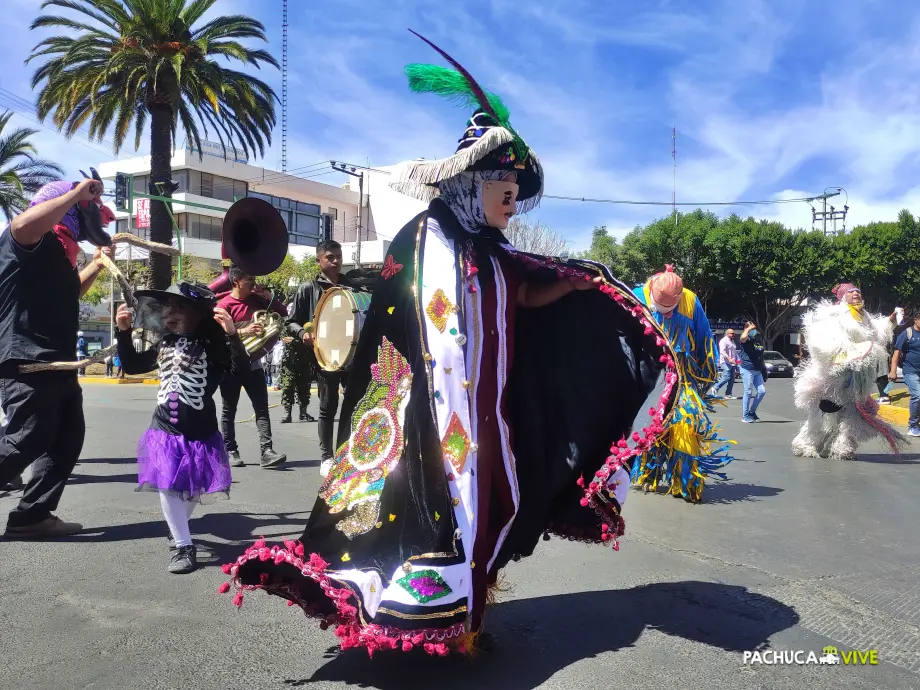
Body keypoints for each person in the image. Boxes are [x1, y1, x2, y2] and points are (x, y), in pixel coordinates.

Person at [218, 34, 681, 657]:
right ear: (473, 183)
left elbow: (523, 300)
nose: (513, 204)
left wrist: (571, 284)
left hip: (489, 418)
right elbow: (394, 328)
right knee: (427, 513)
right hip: (423, 416)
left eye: (516, 192)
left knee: (485, 512)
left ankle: (468, 618)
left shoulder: (496, 254)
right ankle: (418, 617)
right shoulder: (420, 241)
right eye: (505, 190)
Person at [0, 178, 115, 537]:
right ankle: (32, 514)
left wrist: (96, 266)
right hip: (28, 358)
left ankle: (31, 516)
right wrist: (76, 194)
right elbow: (21, 224)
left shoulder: (59, 254)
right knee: (28, 438)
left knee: (67, 437)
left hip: (58, 361)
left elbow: (69, 294)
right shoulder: (30, 239)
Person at [116, 282, 249, 573]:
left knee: (192, 492)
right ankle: (183, 546)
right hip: (164, 428)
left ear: (199, 314)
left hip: (201, 431)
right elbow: (133, 365)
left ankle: (178, 528)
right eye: (167, 307)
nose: (170, 313)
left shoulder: (213, 347)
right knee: (168, 485)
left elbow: (240, 369)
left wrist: (232, 335)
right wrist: (123, 332)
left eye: (180, 307)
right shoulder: (164, 344)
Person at [631, 265, 733, 502]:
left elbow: (704, 338)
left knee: (686, 424)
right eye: (662, 309)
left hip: (683, 376)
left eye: (671, 309)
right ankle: (648, 473)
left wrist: (706, 376)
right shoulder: (636, 296)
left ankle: (685, 483)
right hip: (648, 377)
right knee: (650, 425)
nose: (667, 314)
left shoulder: (690, 300)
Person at [792, 283, 904, 460]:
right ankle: (805, 443)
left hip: (858, 376)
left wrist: (890, 321)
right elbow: (822, 340)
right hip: (836, 374)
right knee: (825, 411)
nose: (856, 294)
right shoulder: (835, 316)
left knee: (853, 413)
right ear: (843, 297)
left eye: (858, 292)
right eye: (851, 292)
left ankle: (842, 448)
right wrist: (846, 352)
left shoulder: (864, 316)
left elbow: (876, 333)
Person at [284, 240, 352, 476]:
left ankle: (348, 453)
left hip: (351, 355)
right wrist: (302, 333)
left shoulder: (350, 285)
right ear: (319, 260)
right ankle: (327, 457)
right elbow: (290, 321)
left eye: (339, 257)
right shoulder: (307, 288)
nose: (336, 261)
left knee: (353, 405)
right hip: (324, 356)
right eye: (330, 257)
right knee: (328, 407)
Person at [216, 266, 287, 469]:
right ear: (237, 280)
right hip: (230, 366)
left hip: (254, 364)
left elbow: (282, 313)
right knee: (229, 411)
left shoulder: (257, 301)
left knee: (262, 409)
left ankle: (267, 451)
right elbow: (219, 335)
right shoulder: (224, 305)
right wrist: (245, 330)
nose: (254, 283)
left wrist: (268, 296)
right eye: (250, 279)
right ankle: (231, 451)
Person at [890, 310, 920, 437]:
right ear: (916, 320)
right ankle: (913, 426)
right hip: (910, 371)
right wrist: (893, 371)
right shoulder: (907, 333)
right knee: (918, 396)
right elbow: (896, 353)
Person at [278, 334, 316, 425]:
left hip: (304, 360)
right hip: (289, 362)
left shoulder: (307, 324)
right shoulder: (287, 323)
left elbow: (310, 341)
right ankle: (287, 413)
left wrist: (295, 341)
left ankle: (303, 412)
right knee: (287, 387)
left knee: (304, 388)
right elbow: (284, 336)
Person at [739, 321, 767, 422]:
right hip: (747, 369)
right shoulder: (746, 339)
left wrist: (764, 370)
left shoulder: (756, 340)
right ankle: (745, 415)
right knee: (748, 392)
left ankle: (752, 412)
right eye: (752, 329)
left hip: (757, 369)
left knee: (762, 391)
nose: (754, 331)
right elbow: (742, 338)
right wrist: (747, 329)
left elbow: (760, 355)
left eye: (754, 329)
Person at [710, 328, 740, 399]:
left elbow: (734, 352)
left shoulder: (732, 341)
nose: (733, 335)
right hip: (725, 362)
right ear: (727, 334)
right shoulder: (724, 341)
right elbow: (722, 351)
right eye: (732, 333)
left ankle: (728, 394)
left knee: (732, 378)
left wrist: (737, 360)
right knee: (726, 376)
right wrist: (729, 359)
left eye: (734, 333)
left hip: (732, 362)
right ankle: (715, 387)